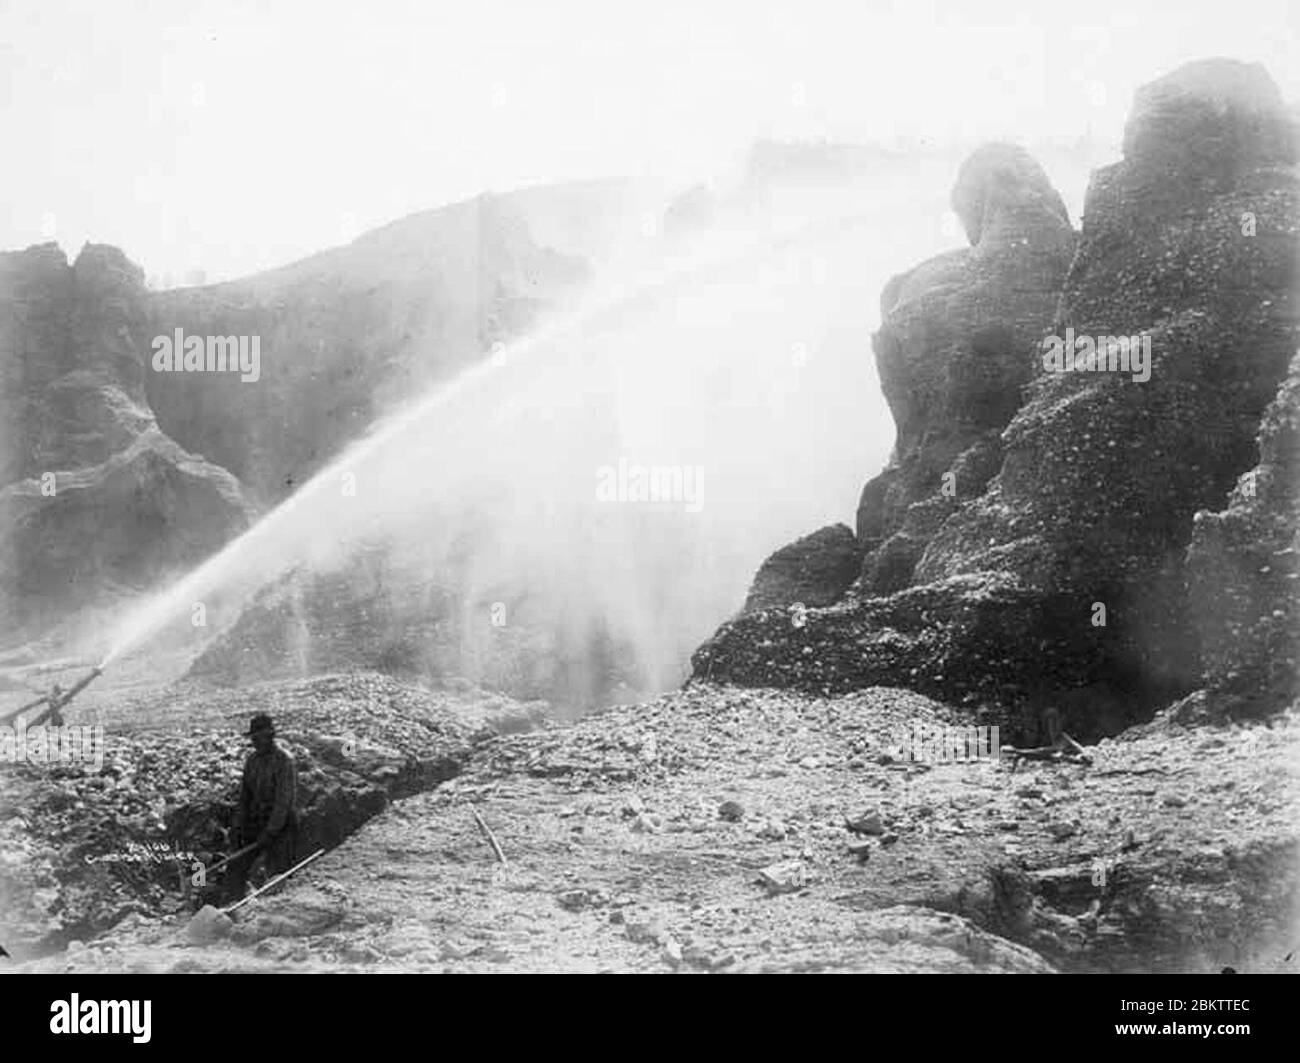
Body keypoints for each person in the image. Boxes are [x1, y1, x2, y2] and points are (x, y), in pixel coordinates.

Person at [224, 714, 298, 903]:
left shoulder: (284, 761)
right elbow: (244, 798)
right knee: (237, 864)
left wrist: (271, 831)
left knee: (277, 873)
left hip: (281, 825)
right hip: (257, 820)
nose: (255, 743)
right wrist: (237, 826)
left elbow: (283, 801)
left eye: (258, 738)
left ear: (270, 735)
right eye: (253, 739)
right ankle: (234, 904)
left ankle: (274, 911)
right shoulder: (252, 761)